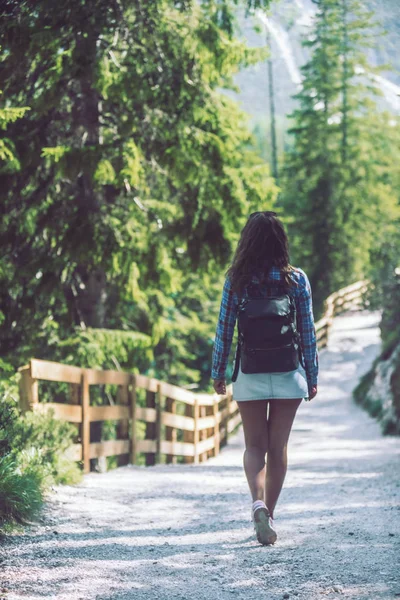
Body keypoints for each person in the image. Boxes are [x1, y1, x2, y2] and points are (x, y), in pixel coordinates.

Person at [211, 211, 318, 546]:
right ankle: (269, 515)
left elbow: (224, 331)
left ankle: (257, 505)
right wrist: (311, 376)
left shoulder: (237, 281)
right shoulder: (296, 280)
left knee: (254, 445)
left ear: (247, 243)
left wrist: (218, 372)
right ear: (280, 242)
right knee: (278, 447)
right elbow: (308, 332)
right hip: (288, 372)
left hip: (250, 373)